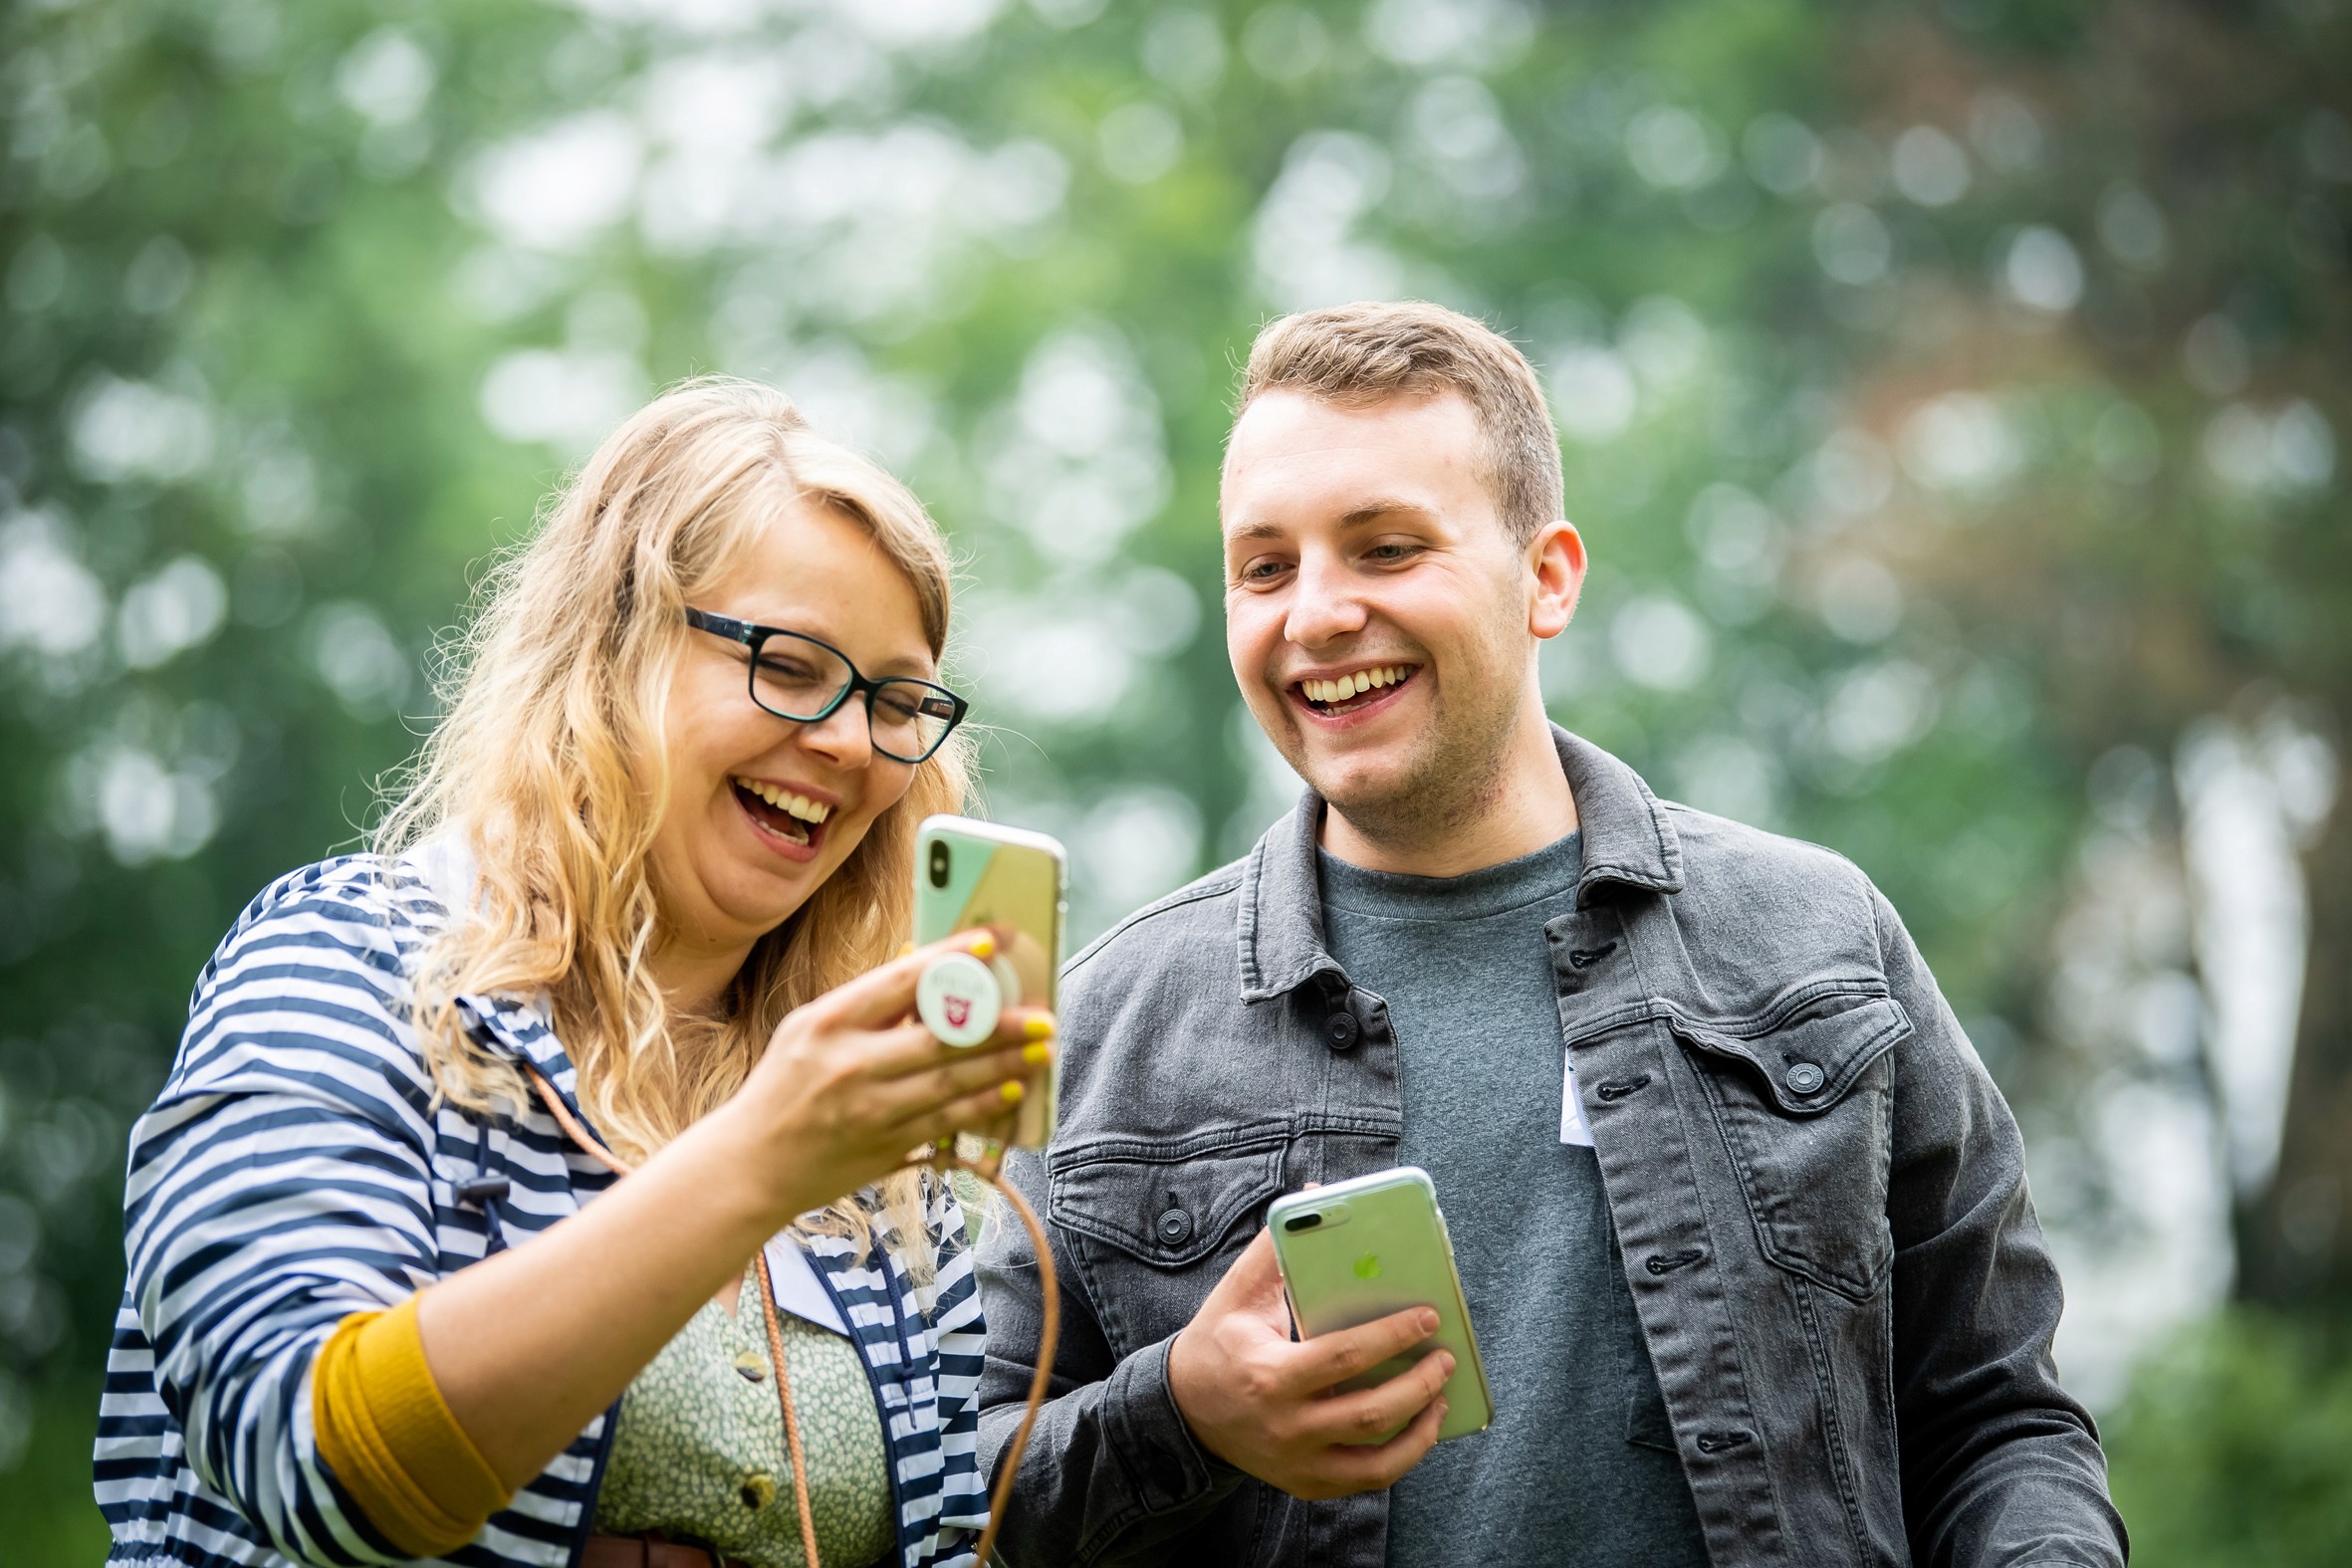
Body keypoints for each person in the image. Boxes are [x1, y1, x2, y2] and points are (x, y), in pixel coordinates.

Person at [974, 303, 2128, 1567]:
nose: (1314, 614)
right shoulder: (1100, 1028)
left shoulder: (1820, 940)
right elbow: (945, 1499)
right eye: (1264, 567)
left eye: (1385, 548)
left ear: (1548, 578)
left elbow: (1995, 1421)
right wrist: (1179, 1417)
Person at [95, 378, 1055, 1568]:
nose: (851, 742)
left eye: (895, 701)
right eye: (792, 665)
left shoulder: (886, 1169)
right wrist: (759, 1159)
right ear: (611, 651)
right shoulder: (349, 964)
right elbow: (312, 1460)